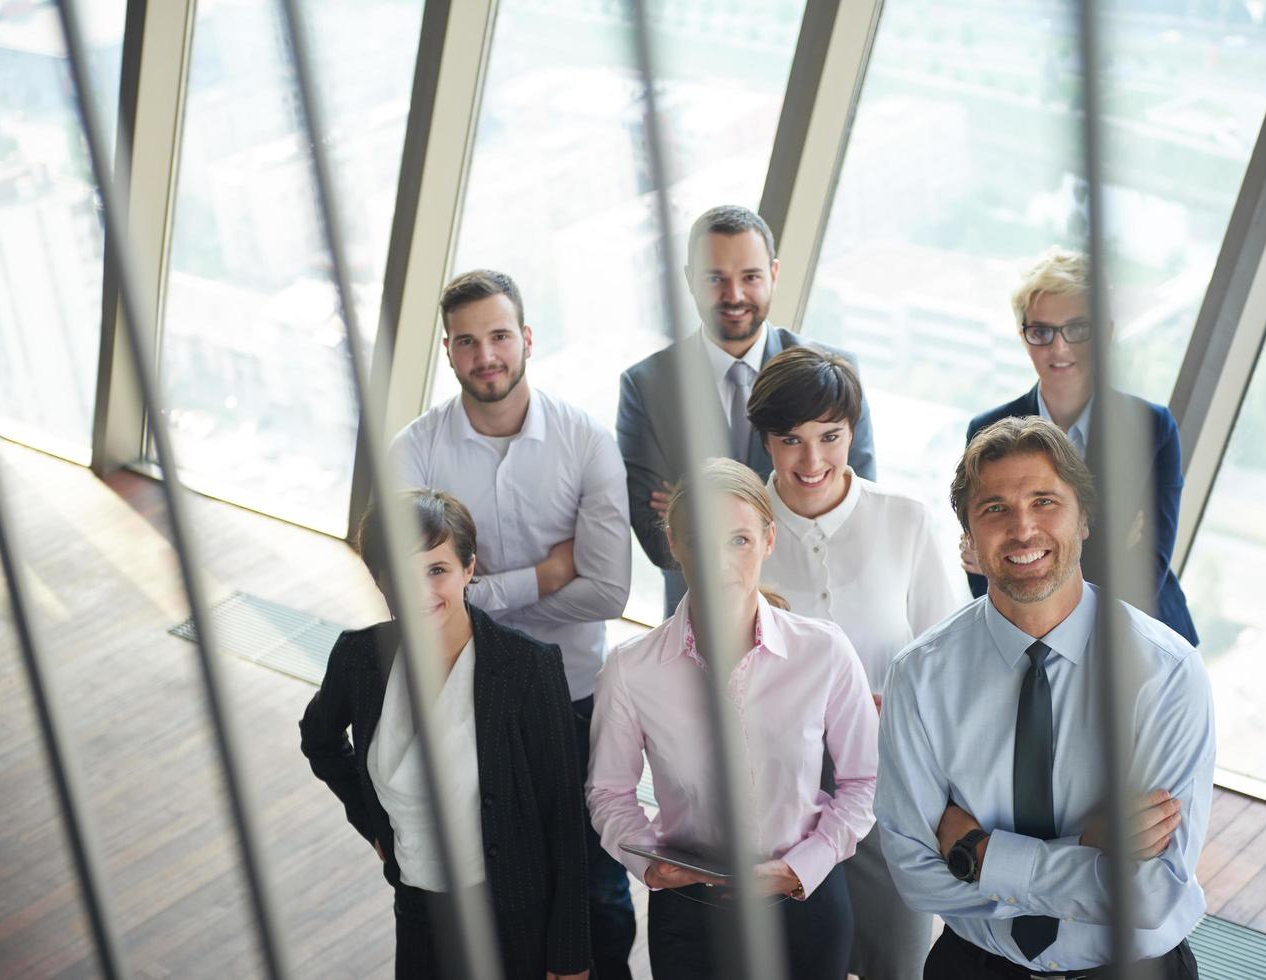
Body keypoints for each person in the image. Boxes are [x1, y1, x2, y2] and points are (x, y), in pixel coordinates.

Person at [876, 417, 1215, 979]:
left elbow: (1153, 893)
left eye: (1044, 501)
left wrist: (980, 855)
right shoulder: (920, 677)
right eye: (994, 510)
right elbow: (915, 874)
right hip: (975, 966)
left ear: (1084, 519)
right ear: (968, 537)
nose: (1023, 530)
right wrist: (1088, 848)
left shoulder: (1165, 674)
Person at [388, 270, 635, 979]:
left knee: (593, 878)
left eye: (499, 336)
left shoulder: (585, 440)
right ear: (447, 351)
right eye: (467, 343)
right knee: (482, 870)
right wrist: (549, 575)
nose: (485, 355)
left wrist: (476, 593)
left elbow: (610, 590)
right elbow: (419, 601)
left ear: (526, 339)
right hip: (462, 693)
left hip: (572, 692)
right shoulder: (415, 450)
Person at [586, 458, 878, 980]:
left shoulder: (825, 651)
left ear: (769, 539)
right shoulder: (630, 671)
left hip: (803, 904)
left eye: (739, 540)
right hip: (690, 914)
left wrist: (800, 866)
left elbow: (866, 781)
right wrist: (649, 863)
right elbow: (609, 792)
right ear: (674, 545)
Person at [299, 488, 590, 979]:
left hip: (514, 918)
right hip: (417, 907)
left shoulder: (526, 669)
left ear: (468, 568)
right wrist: (374, 826)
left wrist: (570, 955)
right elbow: (319, 740)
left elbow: (565, 818)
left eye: (438, 570)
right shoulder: (358, 659)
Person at [745, 345, 958, 980]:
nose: (812, 460)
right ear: (766, 440)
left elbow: (949, 662)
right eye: (791, 439)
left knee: (895, 958)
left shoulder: (907, 522)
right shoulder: (738, 530)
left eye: (830, 436)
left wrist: (891, 710)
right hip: (776, 798)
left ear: (852, 431)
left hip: (889, 790)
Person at [618, 204, 878, 615]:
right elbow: (659, 542)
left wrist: (702, 512)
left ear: (773, 274)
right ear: (689, 280)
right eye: (714, 279)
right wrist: (799, 497)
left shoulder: (835, 373)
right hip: (702, 625)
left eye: (750, 277)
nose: (734, 295)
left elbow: (854, 509)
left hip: (812, 610)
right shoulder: (645, 386)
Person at [965, 247, 1198, 644]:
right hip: (1030, 643)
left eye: (1077, 329)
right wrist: (1105, 549)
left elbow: (1146, 572)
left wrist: (1034, 567)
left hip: (1141, 640)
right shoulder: (987, 430)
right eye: (1041, 332)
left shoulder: (1151, 428)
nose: (1059, 348)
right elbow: (982, 569)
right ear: (1023, 337)